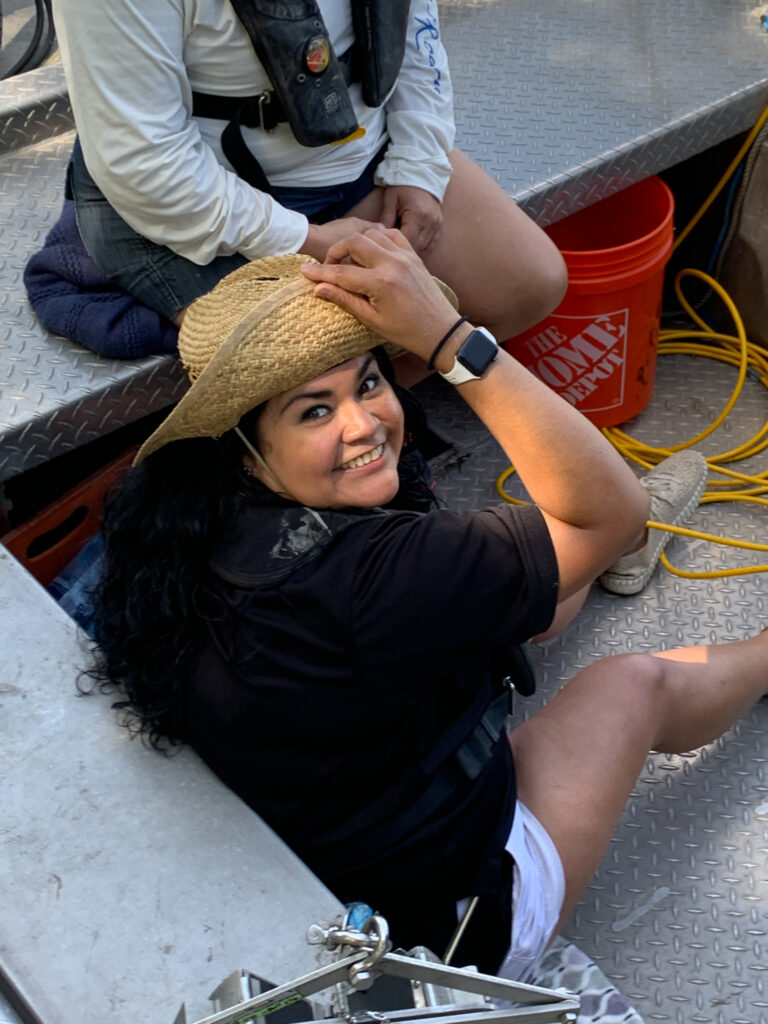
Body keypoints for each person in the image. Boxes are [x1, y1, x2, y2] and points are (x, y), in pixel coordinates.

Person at [88, 231, 768, 981]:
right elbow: (621, 506)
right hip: (451, 937)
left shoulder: (192, 530)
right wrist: (453, 341)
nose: (363, 424)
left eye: (368, 383)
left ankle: (572, 557)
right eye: (315, 411)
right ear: (249, 449)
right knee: (634, 682)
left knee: (542, 596)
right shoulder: (388, 575)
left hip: (335, 843)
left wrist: (584, 541)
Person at [50, 0, 567, 345]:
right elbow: (142, 159)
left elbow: (410, 25)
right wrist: (306, 241)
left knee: (530, 284)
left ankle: (386, 413)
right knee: (317, 374)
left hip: (360, 160)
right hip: (194, 197)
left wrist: (418, 168)